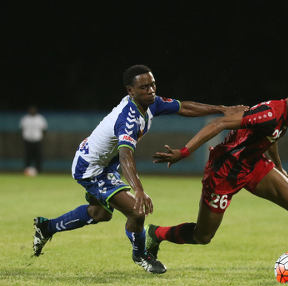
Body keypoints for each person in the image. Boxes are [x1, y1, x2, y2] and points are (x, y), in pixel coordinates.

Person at [32, 64, 247, 274]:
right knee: (136, 211)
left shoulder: (151, 103)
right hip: (91, 168)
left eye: (153, 85)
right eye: (144, 87)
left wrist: (222, 109)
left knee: (100, 213)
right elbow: (126, 156)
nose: (151, 90)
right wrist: (139, 190)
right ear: (130, 91)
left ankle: (46, 227)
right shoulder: (128, 118)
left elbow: (184, 107)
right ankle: (141, 255)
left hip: (103, 164)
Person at [149, 82, 288, 278]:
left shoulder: (286, 115)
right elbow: (219, 123)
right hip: (225, 170)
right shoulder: (270, 114)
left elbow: (270, 138)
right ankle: (156, 234)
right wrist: (184, 152)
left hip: (253, 164)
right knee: (202, 236)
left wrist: (279, 167)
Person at [20, 105, 47, 175]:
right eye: (31, 110)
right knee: (28, 156)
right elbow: (22, 129)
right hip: (27, 140)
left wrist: (42, 138)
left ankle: (39, 170)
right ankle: (26, 170)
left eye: (33, 109)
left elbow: (44, 129)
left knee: (38, 156)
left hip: (37, 140)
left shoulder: (40, 118)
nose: (32, 111)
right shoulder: (25, 119)